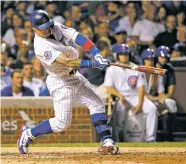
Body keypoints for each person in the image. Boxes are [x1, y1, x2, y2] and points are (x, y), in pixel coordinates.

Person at [17, 10, 119, 155]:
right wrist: (93, 64)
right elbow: (68, 62)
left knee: (97, 104)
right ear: (34, 28)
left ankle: (107, 141)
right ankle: (28, 133)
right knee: (62, 123)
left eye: (48, 25)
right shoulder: (40, 46)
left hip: (75, 77)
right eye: (43, 27)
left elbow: (78, 37)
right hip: (60, 81)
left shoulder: (55, 26)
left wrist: (96, 53)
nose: (47, 29)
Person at [104, 44, 158, 142]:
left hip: (135, 96)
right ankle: (118, 137)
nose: (124, 56)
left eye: (126, 54)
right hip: (121, 97)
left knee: (152, 108)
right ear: (118, 55)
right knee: (119, 110)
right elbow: (108, 87)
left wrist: (140, 103)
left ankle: (150, 139)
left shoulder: (136, 68)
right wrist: (120, 95)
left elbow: (141, 88)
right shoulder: (112, 69)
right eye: (122, 54)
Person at [154, 46, 177, 141]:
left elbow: (170, 90)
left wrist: (163, 97)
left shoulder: (169, 69)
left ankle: (168, 135)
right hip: (148, 98)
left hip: (162, 97)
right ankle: (151, 137)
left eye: (165, 57)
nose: (164, 59)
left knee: (172, 104)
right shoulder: (149, 67)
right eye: (161, 57)